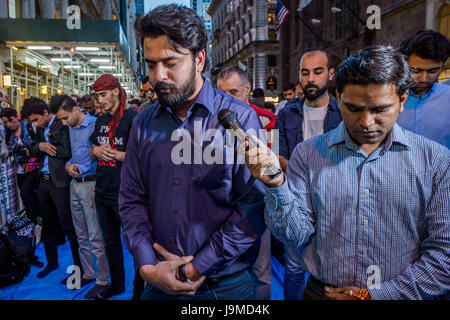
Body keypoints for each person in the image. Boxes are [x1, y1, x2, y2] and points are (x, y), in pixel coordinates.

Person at [243, 46, 450, 300]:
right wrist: (275, 185)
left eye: (380, 109)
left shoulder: (436, 162)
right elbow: (295, 235)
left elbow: (444, 254)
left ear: (402, 100)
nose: (366, 122)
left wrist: (377, 295)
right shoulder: (308, 155)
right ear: (338, 98)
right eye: (354, 108)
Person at [119, 4, 266, 300]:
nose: (158, 76)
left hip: (223, 287)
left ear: (199, 59)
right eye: (151, 64)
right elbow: (131, 200)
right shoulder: (143, 124)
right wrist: (146, 265)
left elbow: (252, 207)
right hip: (157, 281)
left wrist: (196, 267)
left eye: (170, 63)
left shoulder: (239, 119)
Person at [274, 48, 342, 300]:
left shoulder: (343, 112)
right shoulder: (286, 113)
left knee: (332, 270)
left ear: (330, 74)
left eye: (317, 71)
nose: (311, 78)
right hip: (296, 200)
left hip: (335, 202)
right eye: (305, 72)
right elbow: (278, 155)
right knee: (293, 269)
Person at [216, 65, 272, 300]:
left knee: (261, 272)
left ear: (247, 89)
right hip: (228, 210)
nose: (226, 100)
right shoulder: (212, 121)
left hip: (260, 200)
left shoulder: (266, 118)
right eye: (221, 93)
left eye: (232, 92)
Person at [52, 95, 110, 299]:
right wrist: (68, 167)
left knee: (95, 235)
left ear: (76, 109)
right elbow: (73, 154)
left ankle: (103, 279)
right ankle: (88, 273)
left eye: (65, 118)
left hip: (91, 183)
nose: (63, 122)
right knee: (80, 234)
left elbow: (102, 155)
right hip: (74, 184)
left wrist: (82, 167)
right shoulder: (69, 127)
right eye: (60, 119)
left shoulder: (96, 125)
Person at [89, 74, 137, 300]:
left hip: (126, 194)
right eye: (96, 96)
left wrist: (118, 154)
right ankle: (117, 284)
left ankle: (140, 291)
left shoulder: (132, 118)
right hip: (102, 192)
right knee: (110, 243)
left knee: (136, 246)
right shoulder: (99, 121)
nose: (99, 100)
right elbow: (93, 150)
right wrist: (96, 151)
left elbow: (143, 157)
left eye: (103, 94)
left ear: (117, 91)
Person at [24, 97, 81, 282]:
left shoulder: (63, 123)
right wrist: (40, 146)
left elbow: (67, 151)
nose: (35, 124)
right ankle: (52, 261)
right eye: (32, 121)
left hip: (61, 182)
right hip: (44, 181)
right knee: (47, 224)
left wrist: (50, 144)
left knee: (68, 227)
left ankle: (79, 268)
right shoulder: (40, 128)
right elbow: (32, 150)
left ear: (46, 113)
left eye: (36, 119)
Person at [397, 30, 450, 148]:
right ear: (405, 64)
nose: (423, 79)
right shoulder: (389, 97)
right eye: (415, 70)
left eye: (433, 71)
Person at [1, 107, 40, 226]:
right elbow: (13, 150)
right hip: (20, 169)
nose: (9, 124)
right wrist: (9, 151)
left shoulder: (29, 127)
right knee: (29, 195)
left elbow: (38, 144)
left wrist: (29, 151)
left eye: (10, 120)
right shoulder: (8, 133)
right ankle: (35, 221)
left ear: (16, 116)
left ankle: (34, 222)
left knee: (25, 193)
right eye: (5, 122)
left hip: (34, 167)